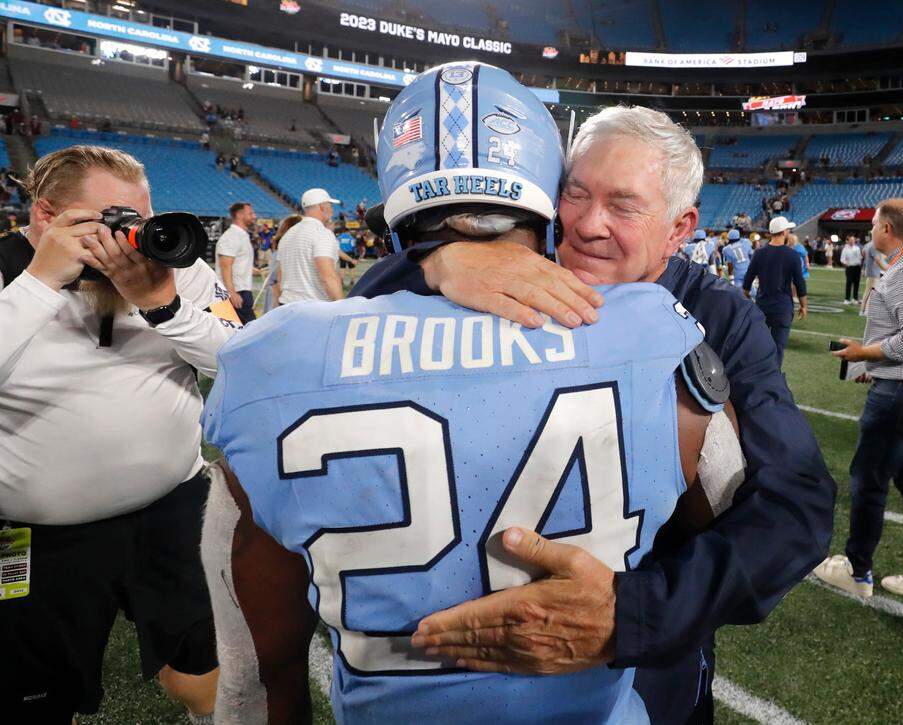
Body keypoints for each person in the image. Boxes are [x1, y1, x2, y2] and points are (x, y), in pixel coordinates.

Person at [201, 62, 737, 724]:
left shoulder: (274, 357)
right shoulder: (656, 331)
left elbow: (260, 672)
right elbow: (720, 515)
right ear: (547, 190)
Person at [343, 102, 835, 724]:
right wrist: (434, 258)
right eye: (575, 195)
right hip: (446, 661)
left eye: (625, 206)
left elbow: (796, 507)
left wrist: (631, 611)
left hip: (637, 672)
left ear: (680, 229)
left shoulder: (718, 317)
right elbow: (353, 334)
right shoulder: (493, 272)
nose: (587, 225)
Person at [0, 145, 241, 722]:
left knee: (214, 669)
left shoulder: (175, 266)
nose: (130, 239)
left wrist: (163, 305)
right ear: (47, 216)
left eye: (137, 220)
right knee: (27, 701)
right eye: (112, 221)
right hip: (27, 533)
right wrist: (40, 283)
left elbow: (239, 360)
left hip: (175, 508)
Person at [819, 198, 903, 598]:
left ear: (887, 230)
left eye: (874, 224)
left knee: (868, 479)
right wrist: (877, 364)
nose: (870, 231)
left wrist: (866, 354)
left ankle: (857, 571)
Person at [742, 217, 808, 368]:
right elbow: (800, 283)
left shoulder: (759, 254)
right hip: (783, 308)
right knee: (777, 351)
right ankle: (771, 384)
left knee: (759, 349)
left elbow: (747, 282)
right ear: (784, 232)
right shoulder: (792, 255)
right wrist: (804, 305)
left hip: (762, 306)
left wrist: (748, 297)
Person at [276, 188, 343, 304]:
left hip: (286, 304)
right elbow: (328, 277)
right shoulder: (321, 233)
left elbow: (280, 276)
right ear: (322, 207)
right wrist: (342, 305)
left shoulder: (288, 234)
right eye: (330, 206)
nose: (332, 211)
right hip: (312, 306)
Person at [215, 201, 261, 325]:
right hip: (236, 293)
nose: (254, 216)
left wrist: (252, 270)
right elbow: (225, 265)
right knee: (251, 331)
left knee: (243, 332)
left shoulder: (241, 235)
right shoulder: (231, 236)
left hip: (240, 291)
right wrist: (231, 292)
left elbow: (236, 264)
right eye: (251, 213)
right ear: (240, 215)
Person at [262, 214, 302, 315]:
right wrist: (278, 310)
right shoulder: (281, 252)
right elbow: (274, 282)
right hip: (280, 302)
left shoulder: (290, 250)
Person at [860, 237, 886, 316]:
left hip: (872, 270)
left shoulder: (868, 245)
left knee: (868, 292)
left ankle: (864, 310)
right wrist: (886, 268)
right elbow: (877, 259)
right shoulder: (873, 246)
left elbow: (863, 253)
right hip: (873, 272)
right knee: (870, 292)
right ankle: (865, 310)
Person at [840, 235, 864, 305]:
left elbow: (860, 258)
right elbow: (842, 259)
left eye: (853, 240)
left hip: (857, 267)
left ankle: (855, 298)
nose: (852, 241)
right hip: (850, 268)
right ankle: (847, 299)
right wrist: (846, 264)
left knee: (857, 283)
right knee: (849, 283)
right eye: (851, 240)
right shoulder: (845, 249)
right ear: (848, 241)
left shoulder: (857, 248)